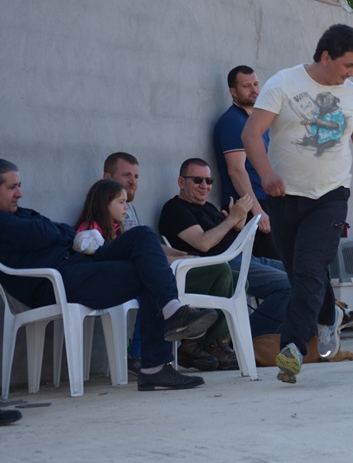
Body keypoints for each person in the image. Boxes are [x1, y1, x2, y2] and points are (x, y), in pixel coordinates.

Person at [0, 159, 218, 391]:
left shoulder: (20, 214)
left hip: (79, 264)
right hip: (56, 283)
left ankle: (172, 311)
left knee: (143, 235)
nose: (20, 193)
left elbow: (60, 230)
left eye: (19, 185)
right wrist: (60, 234)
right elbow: (46, 231)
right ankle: (156, 364)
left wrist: (59, 233)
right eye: (12, 187)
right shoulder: (7, 222)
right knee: (149, 272)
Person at [242, 23, 353, 384]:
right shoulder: (284, 83)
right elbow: (251, 133)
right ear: (325, 56)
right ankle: (329, 315)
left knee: (307, 267)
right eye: (348, 65)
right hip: (284, 196)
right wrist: (267, 175)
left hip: (330, 196)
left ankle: (292, 349)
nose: (352, 73)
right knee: (302, 272)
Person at [104, 153, 238, 372]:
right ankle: (149, 353)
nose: (133, 181)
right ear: (106, 177)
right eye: (126, 175)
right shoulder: (103, 213)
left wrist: (179, 253)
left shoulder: (129, 210)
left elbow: (148, 246)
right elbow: (131, 252)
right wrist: (177, 259)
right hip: (125, 275)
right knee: (217, 271)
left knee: (235, 277)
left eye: (136, 176)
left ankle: (211, 343)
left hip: (153, 271)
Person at [158, 158, 291, 339]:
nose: (204, 185)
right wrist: (231, 219)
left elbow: (224, 238)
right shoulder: (175, 209)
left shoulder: (209, 207)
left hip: (244, 257)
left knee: (301, 272)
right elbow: (203, 243)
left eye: (209, 181)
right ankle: (243, 339)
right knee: (287, 286)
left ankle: (308, 331)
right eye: (197, 180)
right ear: (181, 182)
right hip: (219, 265)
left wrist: (237, 225)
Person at [213, 65, 279, 259]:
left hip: (267, 203)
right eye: (246, 86)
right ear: (233, 91)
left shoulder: (257, 122)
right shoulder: (232, 122)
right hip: (248, 210)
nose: (254, 90)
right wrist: (258, 213)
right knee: (271, 270)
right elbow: (236, 170)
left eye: (256, 84)